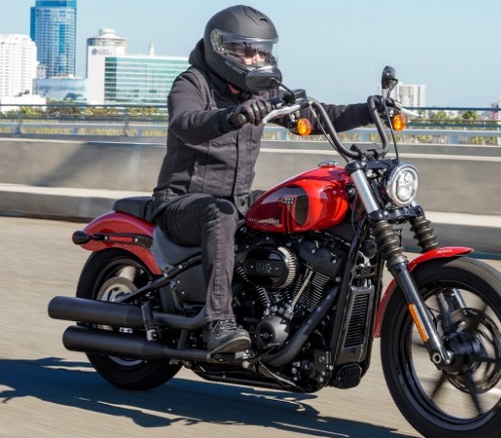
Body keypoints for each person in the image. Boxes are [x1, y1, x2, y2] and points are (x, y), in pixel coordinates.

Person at [151, 5, 374, 354]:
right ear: (221, 47)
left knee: (295, 204)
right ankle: (218, 323)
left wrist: (369, 111)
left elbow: (316, 116)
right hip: (182, 202)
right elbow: (185, 121)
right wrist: (229, 116)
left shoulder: (261, 93)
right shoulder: (192, 82)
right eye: (247, 50)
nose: (257, 59)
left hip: (237, 199)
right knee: (220, 213)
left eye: (263, 51)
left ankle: (293, 311)